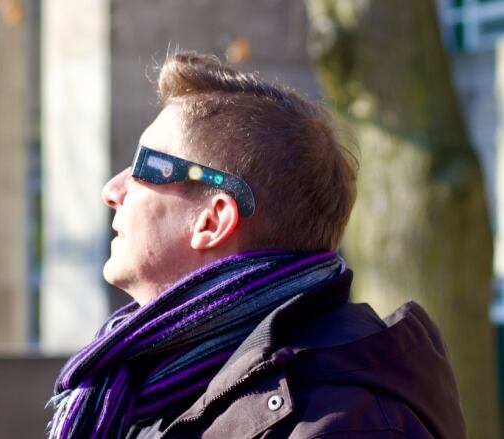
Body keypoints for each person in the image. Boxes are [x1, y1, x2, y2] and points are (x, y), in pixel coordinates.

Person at [47, 51, 465, 438]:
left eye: (145, 167)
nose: (112, 189)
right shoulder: (145, 390)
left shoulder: (350, 420)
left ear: (212, 220)